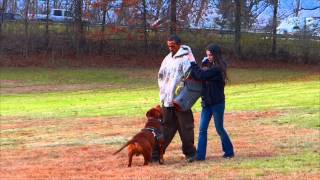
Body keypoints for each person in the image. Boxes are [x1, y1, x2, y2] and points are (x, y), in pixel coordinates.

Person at [188, 43, 234, 161]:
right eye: (207, 55)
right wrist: (199, 64)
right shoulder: (210, 65)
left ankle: (229, 151)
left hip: (217, 103)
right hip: (207, 103)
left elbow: (201, 75)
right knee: (202, 129)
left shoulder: (218, 68)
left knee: (219, 128)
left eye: (210, 55)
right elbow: (197, 74)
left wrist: (193, 61)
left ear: (216, 55)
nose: (208, 57)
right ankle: (200, 156)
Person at [156, 34, 197, 162]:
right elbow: (161, 75)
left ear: (179, 45)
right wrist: (163, 93)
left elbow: (190, 77)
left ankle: (190, 153)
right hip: (167, 100)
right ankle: (156, 154)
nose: (170, 48)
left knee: (186, 128)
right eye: (168, 46)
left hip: (181, 101)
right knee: (165, 128)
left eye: (172, 46)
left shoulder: (186, 58)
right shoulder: (167, 58)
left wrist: (181, 94)